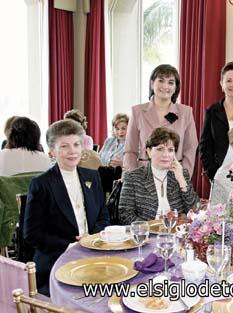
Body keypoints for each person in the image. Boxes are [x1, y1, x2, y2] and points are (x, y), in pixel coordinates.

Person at [24, 119, 110, 296]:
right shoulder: (41, 184)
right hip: (57, 258)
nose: (72, 151)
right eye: (64, 146)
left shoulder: (92, 177)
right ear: (52, 151)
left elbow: (104, 216)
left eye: (76, 144)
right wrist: (70, 246)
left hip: (93, 252)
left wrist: (92, 238)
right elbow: (31, 234)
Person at [123, 64, 198, 176]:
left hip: (174, 176)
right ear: (152, 83)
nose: (165, 86)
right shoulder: (137, 111)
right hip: (144, 176)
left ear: (176, 88)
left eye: (171, 82)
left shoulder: (185, 112)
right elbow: (130, 150)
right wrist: (132, 179)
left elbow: (190, 150)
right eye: (161, 80)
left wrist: (183, 177)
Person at [119, 127, 199, 225]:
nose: (166, 155)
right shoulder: (133, 177)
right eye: (160, 149)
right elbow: (125, 214)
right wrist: (150, 229)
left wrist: (181, 180)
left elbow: (194, 211)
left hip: (176, 232)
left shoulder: (182, 174)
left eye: (170, 150)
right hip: (146, 235)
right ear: (149, 151)